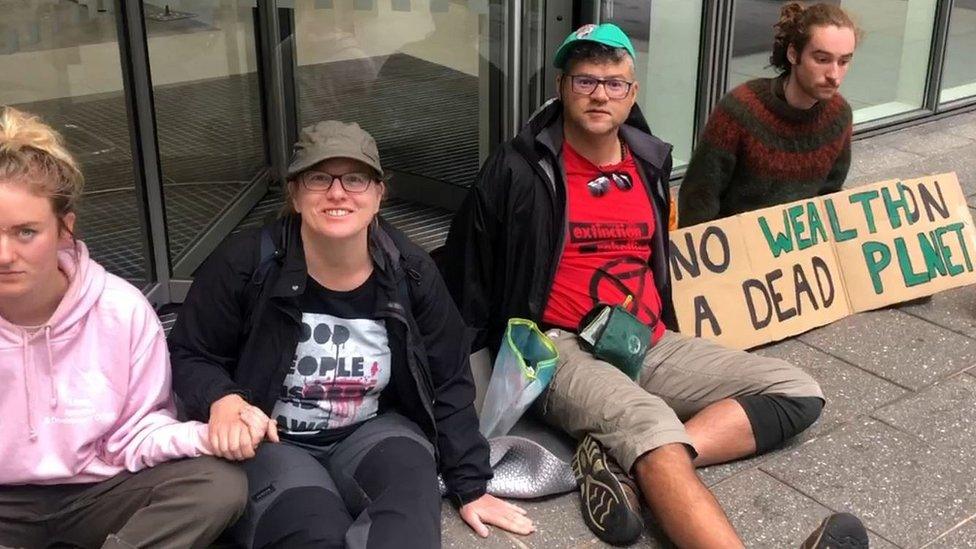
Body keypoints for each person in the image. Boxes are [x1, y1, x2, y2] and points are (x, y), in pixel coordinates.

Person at [441, 23, 868, 549]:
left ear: (632, 92)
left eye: (614, 82)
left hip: (645, 339)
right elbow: (468, 272)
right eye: (584, 81)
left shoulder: (648, 161)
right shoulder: (519, 169)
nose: (600, 93)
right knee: (651, 425)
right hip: (562, 348)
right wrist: (460, 392)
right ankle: (645, 450)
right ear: (561, 87)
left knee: (797, 390)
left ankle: (628, 460)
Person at [169, 120, 535, 548]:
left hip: (373, 431)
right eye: (319, 177)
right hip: (273, 440)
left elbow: (448, 378)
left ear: (379, 194)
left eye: (356, 178)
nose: (338, 192)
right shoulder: (246, 264)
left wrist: (470, 483)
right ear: (295, 193)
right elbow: (189, 353)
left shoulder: (411, 272)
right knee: (314, 532)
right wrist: (222, 397)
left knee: (406, 533)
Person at [0, 106, 247, 548]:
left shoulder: (120, 310)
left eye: (25, 232)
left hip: (99, 491)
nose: (4, 254)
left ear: (63, 231)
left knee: (216, 485)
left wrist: (208, 434)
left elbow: (137, 435)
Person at [679, 2, 859, 227]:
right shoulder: (741, 110)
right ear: (793, 54)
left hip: (799, 249)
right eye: (822, 59)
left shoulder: (839, 115)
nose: (834, 74)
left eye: (844, 61)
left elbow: (829, 197)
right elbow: (698, 199)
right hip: (734, 247)